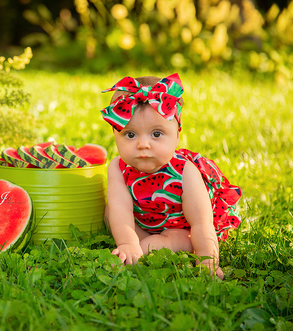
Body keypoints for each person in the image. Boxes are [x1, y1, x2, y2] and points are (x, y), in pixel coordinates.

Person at [101, 73, 242, 279]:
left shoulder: (185, 171)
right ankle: (135, 248)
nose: (143, 144)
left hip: (181, 229)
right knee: (110, 212)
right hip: (141, 221)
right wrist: (127, 243)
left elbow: (201, 223)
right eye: (130, 134)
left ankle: (144, 249)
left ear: (177, 135)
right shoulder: (117, 166)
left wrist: (207, 261)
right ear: (116, 135)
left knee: (166, 241)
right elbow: (121, 209)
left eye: (156, 134)